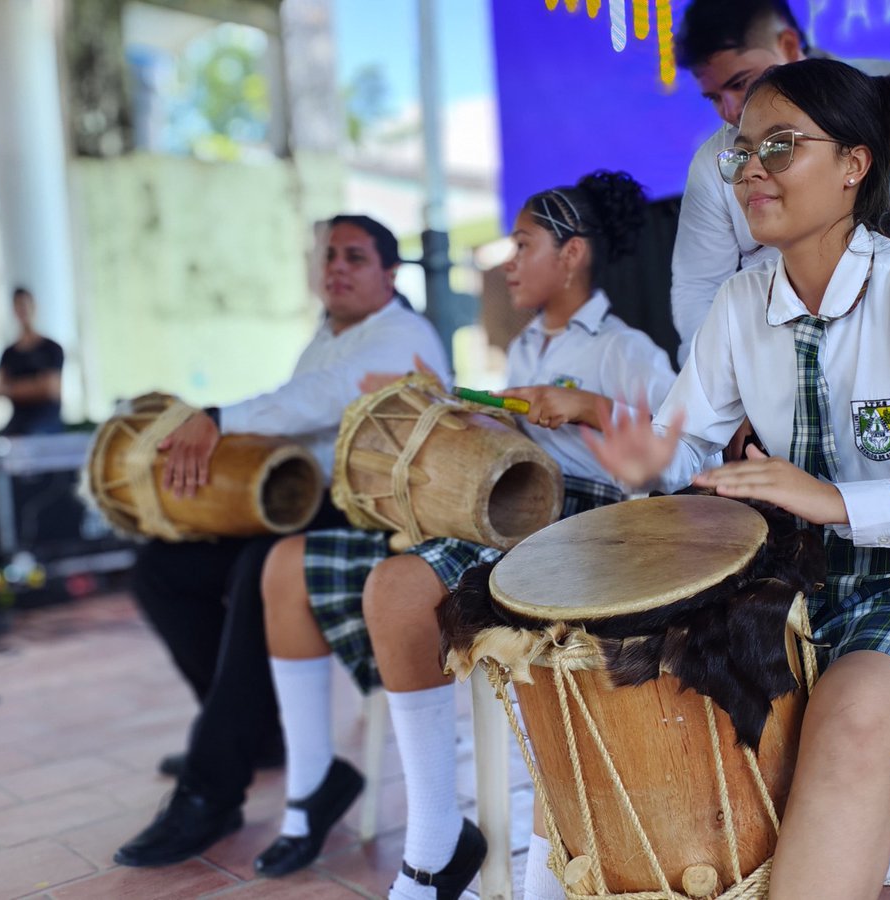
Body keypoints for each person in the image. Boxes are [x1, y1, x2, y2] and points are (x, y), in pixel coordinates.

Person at [582, 59, 890, 898]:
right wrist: (658, 464)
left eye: (781, 146)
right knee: (638, 679)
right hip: (807, 586)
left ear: (854, 163)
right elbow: (686, 444)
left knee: (848, 714)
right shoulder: (738, 306)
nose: (752, 171)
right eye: (740, 153)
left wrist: (843, 502)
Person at [251, 171, 677, 899]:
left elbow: (680, 461)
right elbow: (509, 447)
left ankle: (520, 855)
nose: (508, 261)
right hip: (513, 510)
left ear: (571, 256)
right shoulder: (524, 351)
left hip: (589, 528)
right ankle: (435, 837)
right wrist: (453, 410)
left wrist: (593, 408)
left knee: (459, 614)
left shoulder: (625, 351)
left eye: (523, 244)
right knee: (392, 586)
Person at [114, 214, 450, 868]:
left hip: (378, 523)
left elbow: (316, 400)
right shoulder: (325, 336)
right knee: (162, 569)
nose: (337, 267)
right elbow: (298, 409)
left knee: (258, 567)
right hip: (312, 507)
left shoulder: (401, 335)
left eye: (355, 257)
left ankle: (212, 788)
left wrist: (218, 419)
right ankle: (250, 732)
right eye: (329, 255)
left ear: (389, 273)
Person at [669, 0, 890, 363]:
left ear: (855, 164)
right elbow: (699, 287)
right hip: (786, 359)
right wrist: (722, 386)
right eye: (713, 97)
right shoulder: (714, 165)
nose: (730, 110)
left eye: (741, 83)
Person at [0, 287, 65, 435]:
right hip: (18, 422)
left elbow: (50, 389)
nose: (23, 310)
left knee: (33, 436)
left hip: (46, 422)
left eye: (25, 305)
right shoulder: (8, 354)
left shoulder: (52, 348)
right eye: (18, 306)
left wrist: (10, 388)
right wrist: (34, 384)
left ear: (34, 306)